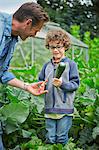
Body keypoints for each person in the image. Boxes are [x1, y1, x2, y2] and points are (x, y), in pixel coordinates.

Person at [0, 2, 49, 149]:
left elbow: (2, 73)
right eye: (36, 30)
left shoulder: (12, 38)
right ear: (28, 23)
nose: (35, 35)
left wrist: (27, 87)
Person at [38, 29, 80, 145]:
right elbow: (41, 80)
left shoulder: (71, 65)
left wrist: (62, 85)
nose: (55, 50)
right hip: (49, 108)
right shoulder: (46, 66)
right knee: (50, 138)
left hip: (65, 108)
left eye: (59, 47)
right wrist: (41, 85)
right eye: (52, 47)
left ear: (65, 47)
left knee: (61, 138)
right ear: (49, 48)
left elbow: (75, 84)